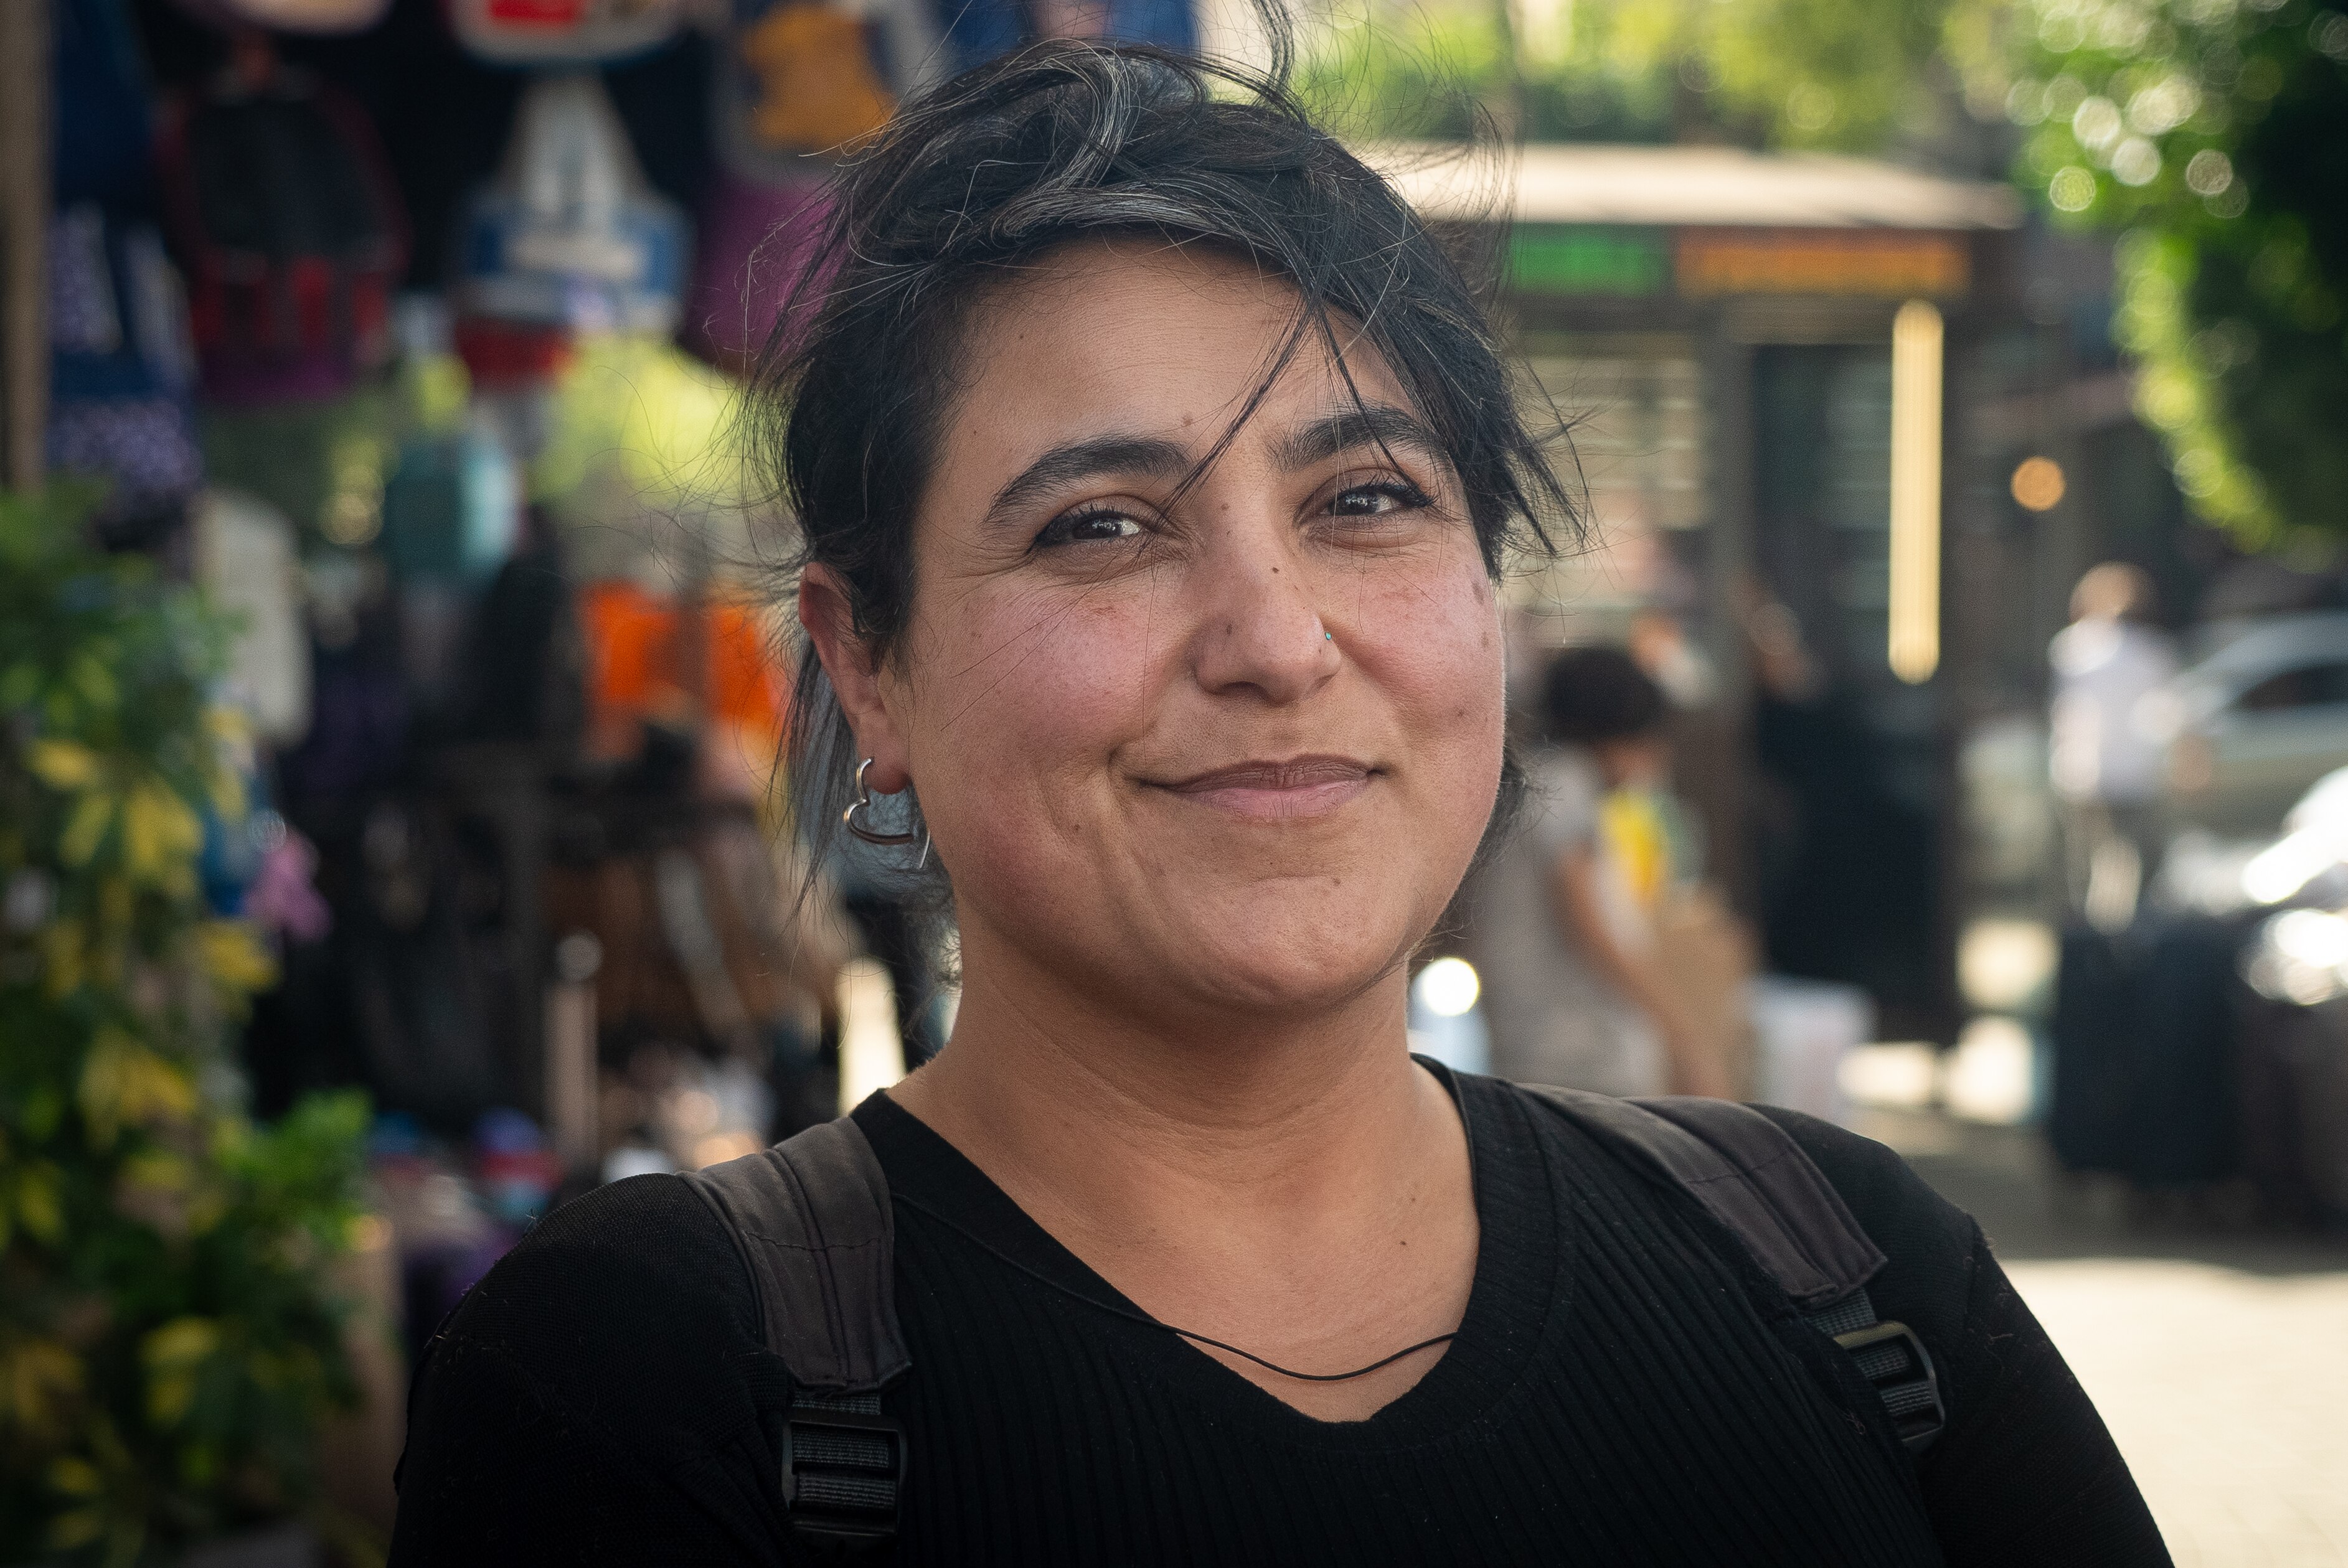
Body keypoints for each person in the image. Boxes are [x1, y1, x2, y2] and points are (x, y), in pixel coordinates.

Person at [389, 42, 2167, 1566]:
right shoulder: (653, 1380)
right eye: (1101, 524)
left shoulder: (1852, 1283)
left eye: (1368, 500)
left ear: (1491, 590)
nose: (1271, 638)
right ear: (869, 668)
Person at [1466, 646, 1730, 1098]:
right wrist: (1682, 1036)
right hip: (1571, 1055)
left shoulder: (1541, 783)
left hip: (1542, 1050)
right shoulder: (1565, 788)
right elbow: (1588, 926)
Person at [2049, 562, 2178, 928]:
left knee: (2090, 862)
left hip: (2084, 772)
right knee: (2127, 860)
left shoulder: (2073, 648)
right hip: (2129, 771)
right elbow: (2167, 712)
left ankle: (2096, 935)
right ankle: (2118, 933)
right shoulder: (2150, 651)